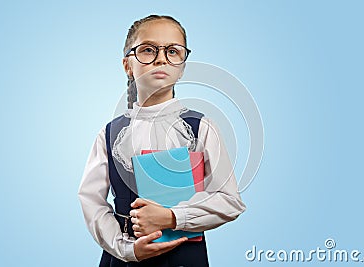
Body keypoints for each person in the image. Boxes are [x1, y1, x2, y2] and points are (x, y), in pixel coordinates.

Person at [78, 14, 246, 267]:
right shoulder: (109, 134)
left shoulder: (201, 127)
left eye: (172, 51)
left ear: (182, 67)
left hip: (185, 257)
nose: (160, 58)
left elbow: (230, 201)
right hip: (124, 256)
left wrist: (171, 217)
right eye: (148, 50)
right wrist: (126, 249)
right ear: (127, 65)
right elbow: (91, 200)